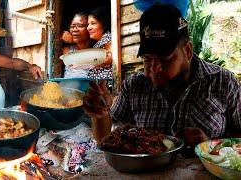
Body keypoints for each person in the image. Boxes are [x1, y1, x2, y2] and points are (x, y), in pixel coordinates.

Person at [83, 3, 241, 151]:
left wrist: (212, 146)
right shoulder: (134, 86)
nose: (154, 69)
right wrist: (100, 113)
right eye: (147, 59)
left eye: (164, 59)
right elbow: (106, 138)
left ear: (187, 50)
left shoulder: (222, 82)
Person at [61, 12, 93, 78]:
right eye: (72, 26)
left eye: (80, 26)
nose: (75, 30)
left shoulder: (97, 51)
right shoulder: (66, 51)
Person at [87, 7, 113, 83]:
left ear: (103, 24)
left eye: (93, 23)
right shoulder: (99, 43)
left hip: (105, 89)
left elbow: (108, 59)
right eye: (88, 24)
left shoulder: (107, 40)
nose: (88, 28)